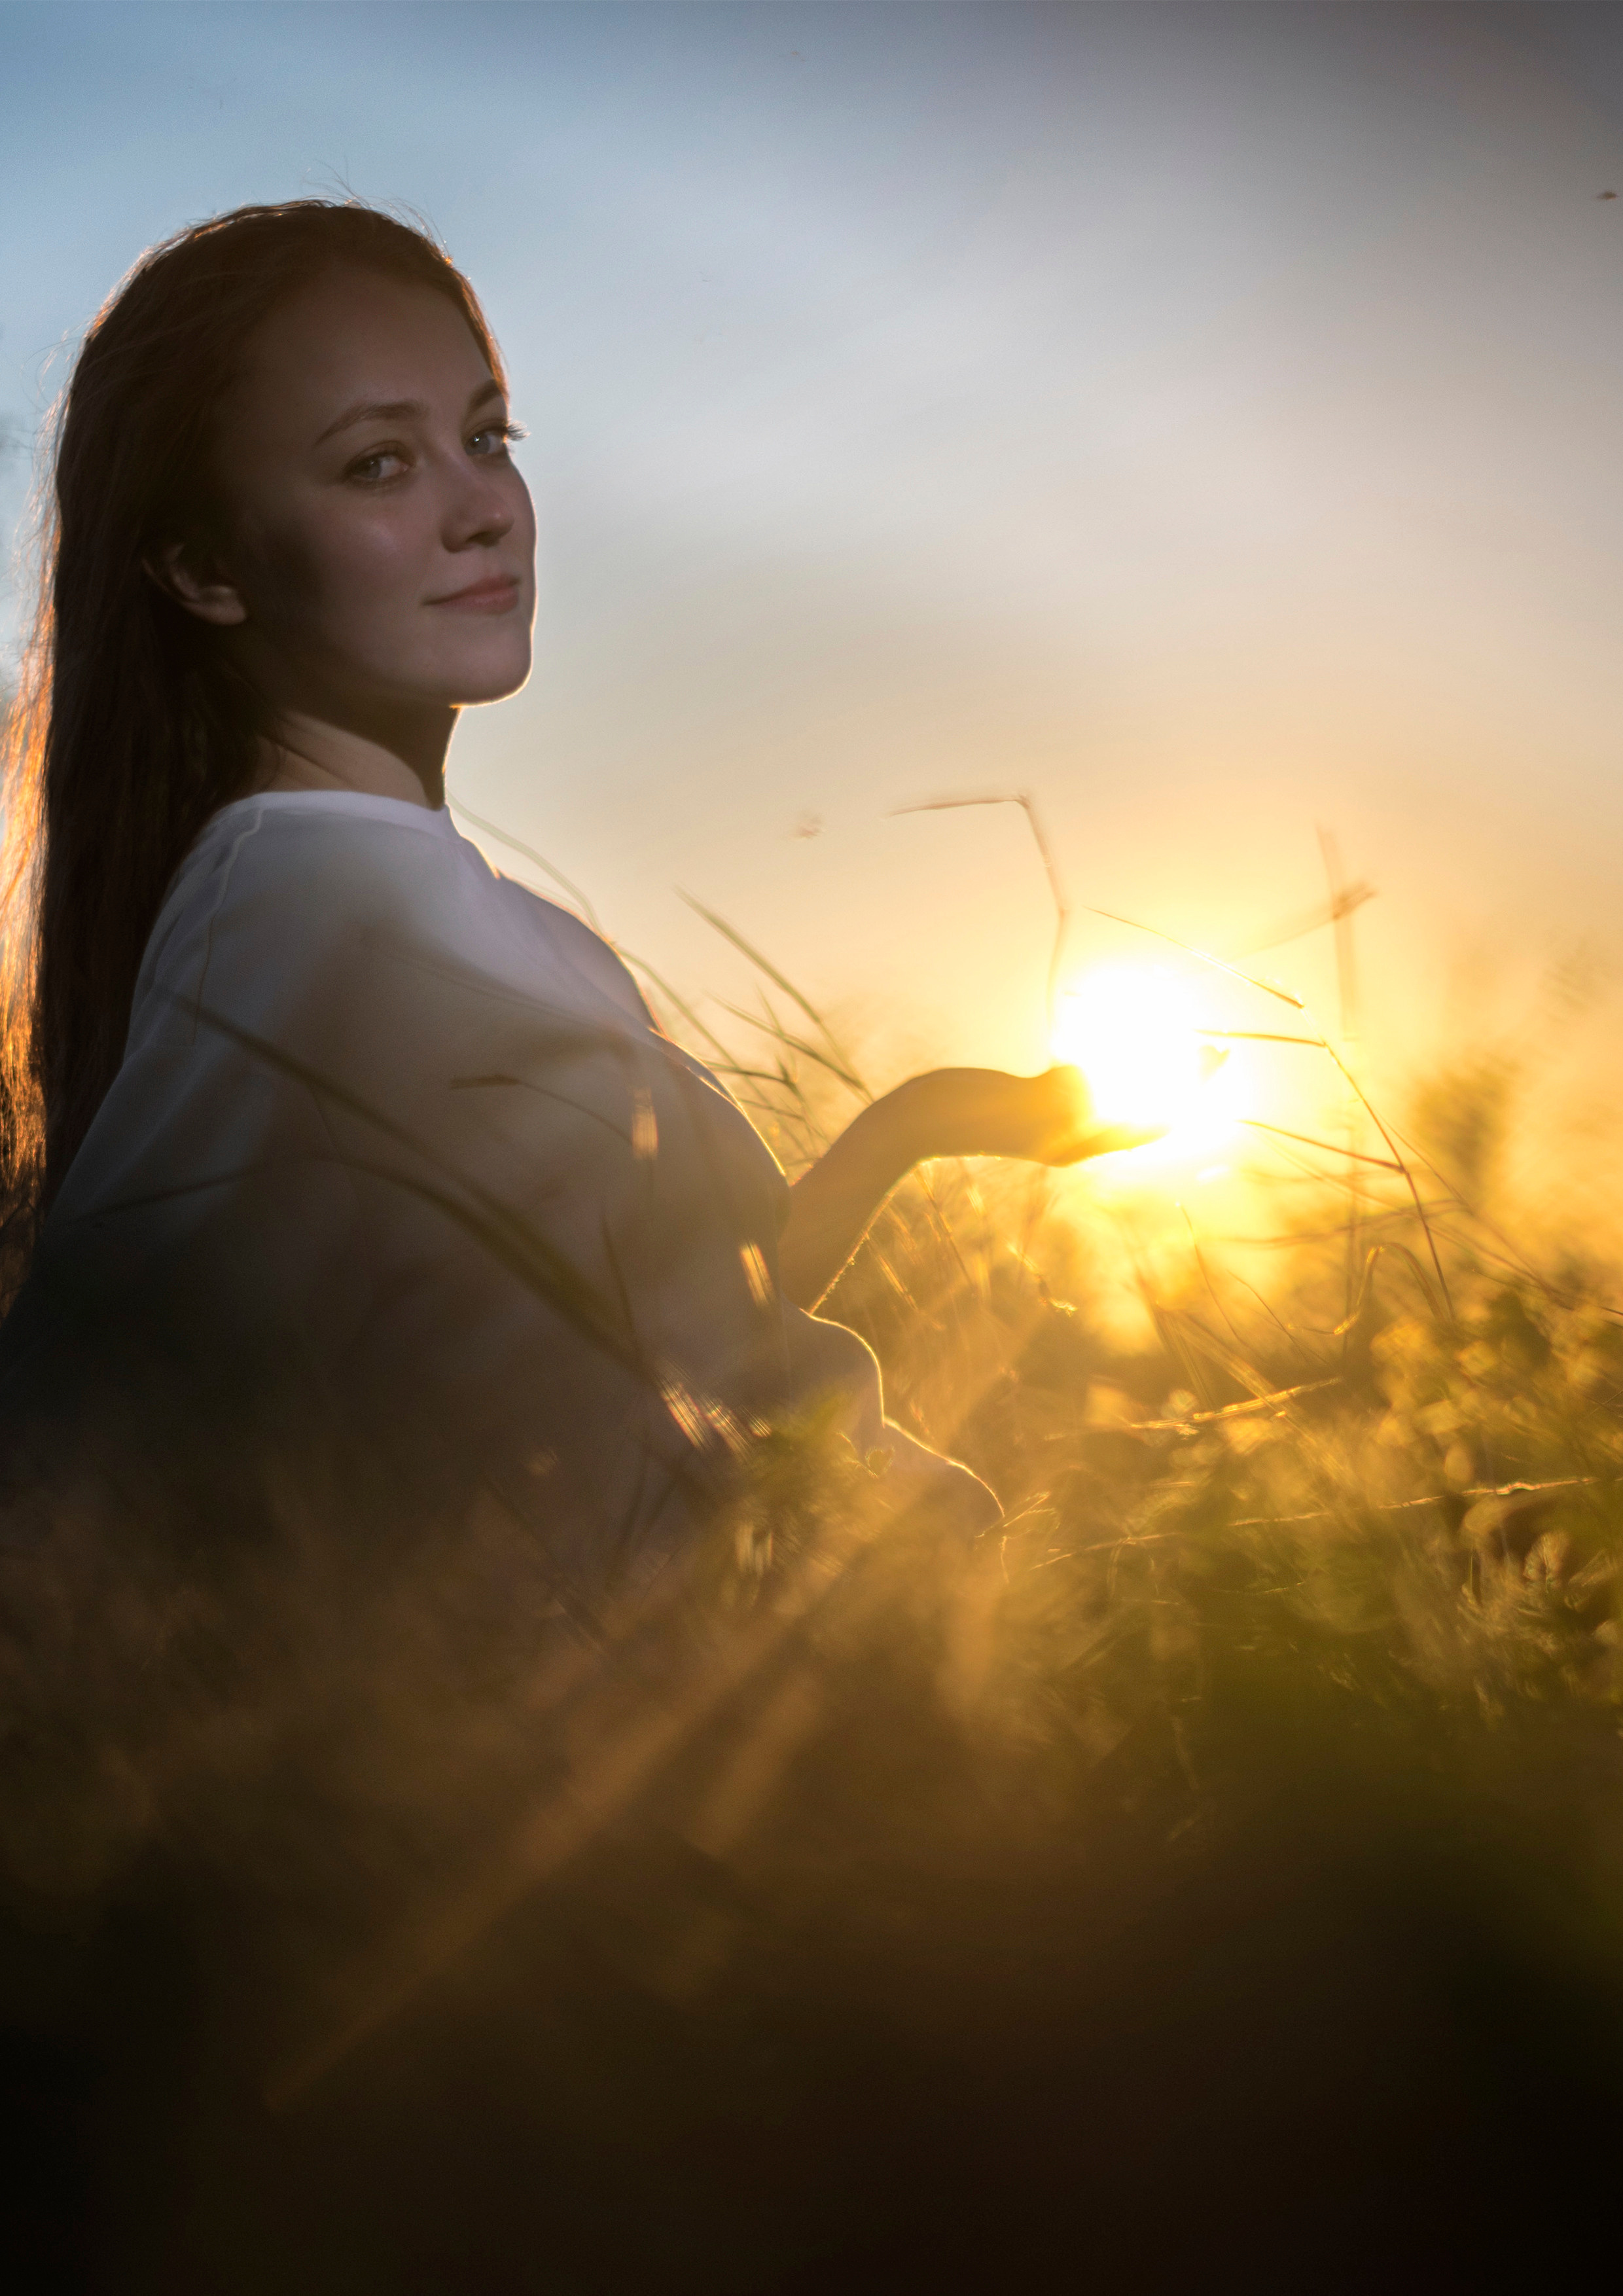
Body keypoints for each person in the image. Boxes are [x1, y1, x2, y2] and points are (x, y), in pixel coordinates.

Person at [0, 200, 1139, 1598]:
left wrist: (927, 1120)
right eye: (377, 463)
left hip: (833, 1618)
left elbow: (688, 1292)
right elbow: (116, 1424)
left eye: (487, 437)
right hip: (702, 1708)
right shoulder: (295, 922)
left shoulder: (472, 919)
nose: (481, 506)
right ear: (202, 568)